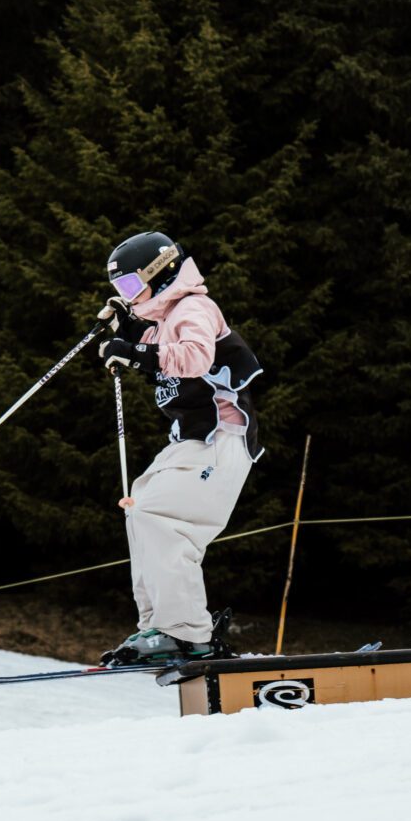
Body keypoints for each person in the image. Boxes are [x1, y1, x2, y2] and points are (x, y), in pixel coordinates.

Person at [95, 231, 263, 665]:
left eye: (130, 285)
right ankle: (157, 627)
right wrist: (127, 332)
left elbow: (194, 357)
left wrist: (134, 351)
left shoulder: (194, 308)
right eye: (119, 289)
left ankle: (187, 634)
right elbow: (153, 349)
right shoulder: (163, 321)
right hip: (191, 440)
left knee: (161, 516)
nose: (127, 295)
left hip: (222, 438)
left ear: (161, 271)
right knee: (140, 507)